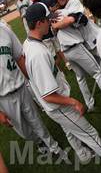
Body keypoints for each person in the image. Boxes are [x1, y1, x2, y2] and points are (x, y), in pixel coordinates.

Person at [23, 2, 101, 167]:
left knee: (70, 131)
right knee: (89, 132)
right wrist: (74, 102)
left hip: (54, 106)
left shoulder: (29, 44)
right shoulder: (38, 54)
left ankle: (83, 155)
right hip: (58, 107)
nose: (51, 23)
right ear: (39, 23)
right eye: (48, 20)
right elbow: (48, 95)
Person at [51, 0, 101, 111]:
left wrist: (55, 24)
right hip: (81, 44)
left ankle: (91, 103)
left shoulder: (72, 3)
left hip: (91, 38)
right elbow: (72, 19)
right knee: (99, 70)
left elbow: (74, 18)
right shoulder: (61, 10)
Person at [0, 21, 62, 155]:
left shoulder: (4, 30)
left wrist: (33, 81)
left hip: (21, 87)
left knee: (36, 120)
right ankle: (38, 141)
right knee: (23, 130)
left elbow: (19, 57)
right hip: (3, 99)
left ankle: (53, 146)